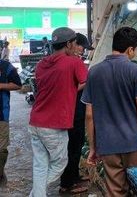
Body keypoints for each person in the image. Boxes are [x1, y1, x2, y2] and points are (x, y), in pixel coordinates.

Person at [82, 27, 137, 196]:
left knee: (116, 192)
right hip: (136, 144)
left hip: (108, 145)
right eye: (135, 50)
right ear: (130, 49)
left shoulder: (94, 72)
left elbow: (89, 115)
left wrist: (93, 147)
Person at [29, 27, 88, 197]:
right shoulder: (74, 62)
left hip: (35, 121)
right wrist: (71, 89)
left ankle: (37, 194)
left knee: (40, 165)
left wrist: (66, 89)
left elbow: (49, 86)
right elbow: (85, 81)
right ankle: (35, 194)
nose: (77, 46)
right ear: (69, 44)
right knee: (59, 164)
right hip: (54, 125)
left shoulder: (41, 64)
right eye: (76, 43)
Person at [59, 33, 93, 194]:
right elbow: (68, 88)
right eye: (82, 47)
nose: (82, 51)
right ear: (73, 44)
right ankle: (67, 183)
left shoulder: (75, 62)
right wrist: (86, 83)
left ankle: (75, 176)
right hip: (70, 111)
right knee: (71, 147)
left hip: (77, 110)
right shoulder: (69, 63)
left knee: (77, 145)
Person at [0, 58, 21, 183]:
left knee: (1, 149)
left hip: (1, 114)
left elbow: (18, 84)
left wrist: (1, 85)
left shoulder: (5, 66)